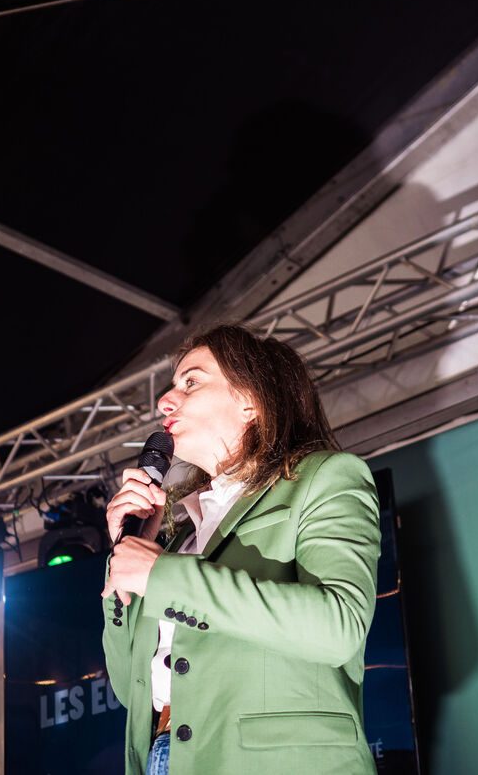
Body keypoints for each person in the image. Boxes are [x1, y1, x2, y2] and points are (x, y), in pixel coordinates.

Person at [101, 324, 380, 775]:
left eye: (191, 381)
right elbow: (128, 686)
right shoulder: (182, 536)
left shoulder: (326, 478)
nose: (165, 401)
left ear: (250, 400)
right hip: (166, 755)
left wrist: (160, 574)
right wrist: (128, 551)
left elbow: (338, 627)